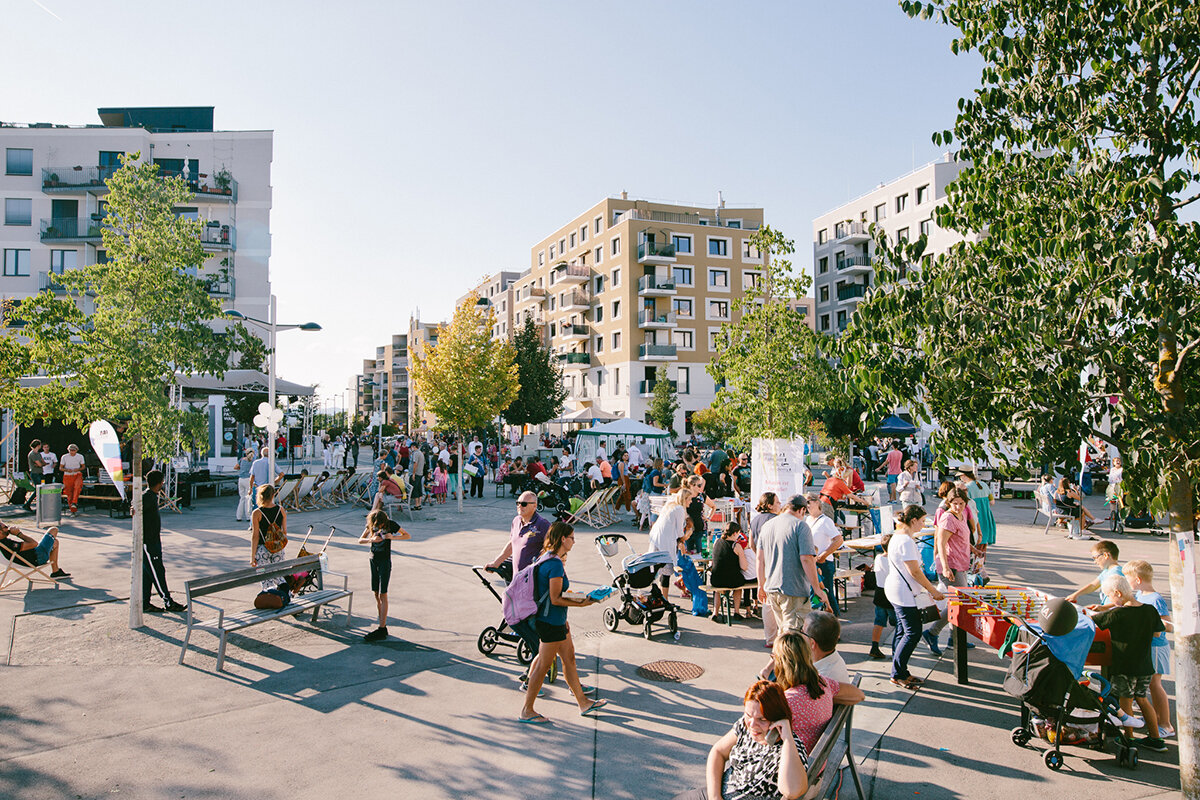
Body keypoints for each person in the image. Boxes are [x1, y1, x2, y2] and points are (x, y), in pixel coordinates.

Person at [518, 522, 607, 724]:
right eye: (572, 538)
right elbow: (556, 598)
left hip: (555, 620)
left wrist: (566, 616)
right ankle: (527, 710)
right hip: (550, 622)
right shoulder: (555, 564)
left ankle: (583, 702)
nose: (574, 541)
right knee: (543, 665)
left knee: (569, 659)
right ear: (563, 539)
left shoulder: (547, 557)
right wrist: (583, 603)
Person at [671, 680, 809, 800]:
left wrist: (787, 739)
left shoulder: (790, 749)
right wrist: (715, 797)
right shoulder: (745, 724)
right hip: (720, 792)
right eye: (748, 715)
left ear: (777, 718)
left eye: (762, 719)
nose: (752, 725)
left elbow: (792, 791)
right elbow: (718, 751)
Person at [1085, 574, 1168, 752]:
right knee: (1142, 699)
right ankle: (1156, 739)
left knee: (1126, 701)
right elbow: (1157, 633)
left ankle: (1128, 738)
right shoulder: (1149, 610)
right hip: (1145, 665)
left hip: (1124, 666)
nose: (1111, 601)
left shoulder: (1117, 614)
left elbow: (1091, 622)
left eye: (1110, 596)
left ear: (1117, 593)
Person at [757, 496, 830, 679]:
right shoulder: (800, 526)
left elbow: (760, 559)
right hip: (793, 590)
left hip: (772, 588)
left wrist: (761, 585)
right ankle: (772, 673)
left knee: (785, 634)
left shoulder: (768, 525)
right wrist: (817, 588)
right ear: (802, 510)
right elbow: (807, 559)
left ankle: (776, 672)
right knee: (793, 638)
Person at [770, 630, 864, 752]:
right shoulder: (823, 684)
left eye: (773, 657)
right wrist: (827, 698)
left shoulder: (786, 702)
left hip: (799, 761)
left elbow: (758, 737)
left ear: (780, 662)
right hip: (817, 757)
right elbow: (859, 695)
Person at [884, 504, 945, 690]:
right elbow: (915, 572)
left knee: (903, 631)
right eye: (922, 521)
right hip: (904, 593)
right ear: (913, 520)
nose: (923, 525)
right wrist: (932, 590)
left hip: (898, 590)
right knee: (913, 633)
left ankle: (900, 671)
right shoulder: (906, 541)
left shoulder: (898, 537)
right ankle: (897, 674)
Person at [1123, 559, 1174, 738]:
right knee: (1148, 684)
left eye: (1127, 578)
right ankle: (1154, 718)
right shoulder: (1140, 595)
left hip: (1156, 648)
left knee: (1154, 684)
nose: (1125, 581)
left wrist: (1145, 627)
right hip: (1146, 647)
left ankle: (1166, 725)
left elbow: (1168, 625)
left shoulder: (1155, 599)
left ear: (1137, 579)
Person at [925, 488, 973, 655]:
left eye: (961, 503)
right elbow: (940, 542)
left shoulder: (962, 514)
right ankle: (932, 632)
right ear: (949, 503)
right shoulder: (948, 518)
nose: (958, 507)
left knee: (958, 602)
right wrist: (945, 567)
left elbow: (962, 537)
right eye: (955, 504)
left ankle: (955, 639)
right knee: (960, 602)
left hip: (961, 563)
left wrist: (973, 549)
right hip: (951, 565)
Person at [136, 470, 186, 613]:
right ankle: (168, 601)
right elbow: (135, 507)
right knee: (157, 571)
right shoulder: (146, 497)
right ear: (160, 483)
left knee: (148, 573)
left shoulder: (151, 496)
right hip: (148, 542)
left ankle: (145, 602)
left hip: (153, 540)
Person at [358, 509, 411, 642]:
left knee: (383, 594)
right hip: (373, 560)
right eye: (377, 525)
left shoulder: (391, 524)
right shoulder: (371, 525)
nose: (379, 527)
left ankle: (382, 628)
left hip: (384, 561)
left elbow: (407, 535)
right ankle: (382, 624)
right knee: (376, 594)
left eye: (381, 524)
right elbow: (360, 540)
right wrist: (371, 539)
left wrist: (393, 537)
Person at [804, 493, 844, 617]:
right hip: (812, 563)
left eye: (809, 502)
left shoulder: (826, 521)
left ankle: (834, 619)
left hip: (824, 564)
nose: (807, 505)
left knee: (827, 592)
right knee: (815, 594)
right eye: (805, 502)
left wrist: (823, 555)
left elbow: (839, 540)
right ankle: (820, 619)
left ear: (817, 502)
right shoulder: (807, 519)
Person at [711, 521, 752, 620]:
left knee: (718, 590)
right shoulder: (736, 546)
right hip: (732, 580)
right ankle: (736, 612)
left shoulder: (717, 542)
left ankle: (715, 613)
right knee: (738, 586)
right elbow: (744, 566)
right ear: (734, 533)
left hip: (716, 580)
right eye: (738, 533)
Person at [249, 484, 288, 588]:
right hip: (278, 549)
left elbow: (255, 536)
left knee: (264, 576)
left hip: (263, 550)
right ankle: (285, 593)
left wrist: (252, 557)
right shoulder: (281, 510)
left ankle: (269, 595)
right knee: (279, 575)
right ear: (273, 495)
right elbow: (284, 532)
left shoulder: (257, 513)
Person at [0, 521, 69, 578]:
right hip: (37, 557)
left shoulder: (3, 542)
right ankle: (56, 572)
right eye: (5, 527)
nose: (8, 528)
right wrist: (18, 534)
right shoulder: (7, 543)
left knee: (54, 542)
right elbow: (34, 544)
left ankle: (56, 571)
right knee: (53, 529)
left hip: (31, 557)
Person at [1065, 539, 1122, 605]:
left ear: (1105, 555)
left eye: (1095, 558)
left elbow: (1121, 599)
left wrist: (1103, 608)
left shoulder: (1116, 573)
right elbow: (1093, 586)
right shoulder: (1107, 571)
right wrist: (1075, 595)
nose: (1095, 562)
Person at [868, 533, 896, 660]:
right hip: (891, 593)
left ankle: (874, 646)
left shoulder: (878, 558)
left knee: (879, 622)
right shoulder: (893, 561)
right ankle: (896, 649)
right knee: (899, 624)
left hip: (879, 592)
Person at [959, 470, 996, 556]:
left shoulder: (965, 488)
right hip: (986, 516)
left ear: (964, 476)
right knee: (982, 547)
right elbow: (992, 502)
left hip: (974, 518)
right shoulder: (984, 484)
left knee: (974, 545)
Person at [248, 447, 281, 512]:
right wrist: (274, 482)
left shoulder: (255, 463)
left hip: (257, 487)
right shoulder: (271, 463)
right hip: (267, 487)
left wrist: (250, 488)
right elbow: (281, 474)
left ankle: (255, 517)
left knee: (256, 506)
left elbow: (252, 477)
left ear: (261, 454)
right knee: (267, 505)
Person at [59, 443, 86, 516]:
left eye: (73, 450)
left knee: (77, 487)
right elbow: (61, 468)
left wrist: (78, 469)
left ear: (76, 450)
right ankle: (73, 510)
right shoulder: (64, 457)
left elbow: (83, 466)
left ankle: (74, 502)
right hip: (67, 476)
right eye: (70, 450)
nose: (72, 452)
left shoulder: (80, 456)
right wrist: (67, 470)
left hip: (77, 474)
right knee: (69, 493)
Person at [23, 439, 45, 511]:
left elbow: (43, 463)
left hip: (40, 473)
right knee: (37, 489)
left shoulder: (38, 454)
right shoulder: (32, 454)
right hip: (35, 473)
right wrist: (40, 464)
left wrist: (40, 464)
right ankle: (27, 504)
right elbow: (40, 464)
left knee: (42, 488)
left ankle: (40, 504)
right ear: (38, 445)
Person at [234, 448, 255, 523]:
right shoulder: (253, 461)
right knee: (248, 499)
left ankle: (238, 516)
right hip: (248, 480)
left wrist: (241, 468)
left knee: (242, 498)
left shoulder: (241, 460)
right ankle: (248, 516)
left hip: (241, 479)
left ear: (246, 453)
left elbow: (235, 467)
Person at [409, 445, 426, 510]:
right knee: (419, 488)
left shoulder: (416, 453)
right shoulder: (421, 453)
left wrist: (413, 473)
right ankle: (419, 504)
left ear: (414, 446)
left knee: (415, 488)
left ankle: (416, 504)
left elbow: (415, 463)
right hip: (420, 473)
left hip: (416, 473)